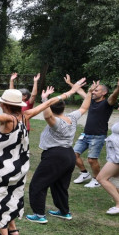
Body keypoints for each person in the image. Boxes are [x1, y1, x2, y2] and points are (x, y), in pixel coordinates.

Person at [0, 81, 86, 235]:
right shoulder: (25, 115)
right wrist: (69, 92)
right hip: (21, 166)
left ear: (5, 104)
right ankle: (12, 229)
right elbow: (48, 103)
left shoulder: (8, 119)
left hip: (5, 168)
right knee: (14, 195)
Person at [25, 80, 91, 224]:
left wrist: (44, 100)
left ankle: (39, 214)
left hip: (55, 156)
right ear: (64, 107)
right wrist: (90, 92)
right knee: (60, 185)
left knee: (38, 183)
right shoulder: (72, 117)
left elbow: (48, 115)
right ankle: (63, 211)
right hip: (69, 155)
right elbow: (85, 107)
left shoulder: (55, 122)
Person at [71, 76, 119, 188]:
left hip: (98, 136)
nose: (93, 92)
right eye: (93, 90)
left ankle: (97, 179)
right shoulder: (90, 100)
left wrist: (118, 88)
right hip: (85, 134)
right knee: (72, 154)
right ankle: (84, 173)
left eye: (96, 90)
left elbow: (113, 96)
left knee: (91, 159)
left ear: (103, 93)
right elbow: (79, 90)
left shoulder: (107, 103)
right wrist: (72, 83)